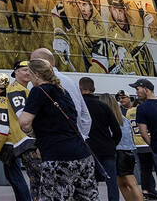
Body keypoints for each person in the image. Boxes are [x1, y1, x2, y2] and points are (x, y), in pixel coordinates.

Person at [17, 57, 98, 201]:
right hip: (82, 154)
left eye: (30, 74)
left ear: (37, 74)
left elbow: (24, 122)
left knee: (54, 196)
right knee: (88, 197)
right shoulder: (63, 91)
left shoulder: (38, 91)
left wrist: (36, 134)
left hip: (57, 154)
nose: (29, 78)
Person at [31, 48, 92, 139]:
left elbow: (29, 119)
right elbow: (86, 117)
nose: (29, 67)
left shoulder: (39, 85)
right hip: (77, 142)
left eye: (32, 63)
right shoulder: (71, 82)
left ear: (41, 63)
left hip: (54, 143)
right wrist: (81, 136)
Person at [79, 78, 122, 201]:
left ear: (80, 88)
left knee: (89, 181)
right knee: (111, 181)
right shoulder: (104, 106)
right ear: (94, 89)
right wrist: (112, 144)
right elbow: (117, 130)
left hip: (87, 149)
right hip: (107, 149)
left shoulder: (78, 105)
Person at [8, 61, 44, 197]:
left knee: (36, 183)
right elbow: (23, 117)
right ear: (15, 72)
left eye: (29, 70)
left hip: (26, 141)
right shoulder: (16, 90)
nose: (28, 72)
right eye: (24, 70)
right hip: (28, 141)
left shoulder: (24, 89)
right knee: (44, 179)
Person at [122, 93, 157, 200]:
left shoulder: (129, 111)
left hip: (138, 144)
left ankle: (146, 191)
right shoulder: (147, 110)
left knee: (145, 170)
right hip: (150, 141)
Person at [105, 93, 145, 201]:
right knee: (128, 182)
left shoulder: (109, 119)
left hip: (118, 151)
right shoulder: (123, 119)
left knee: (128, 182)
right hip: (129, 151)